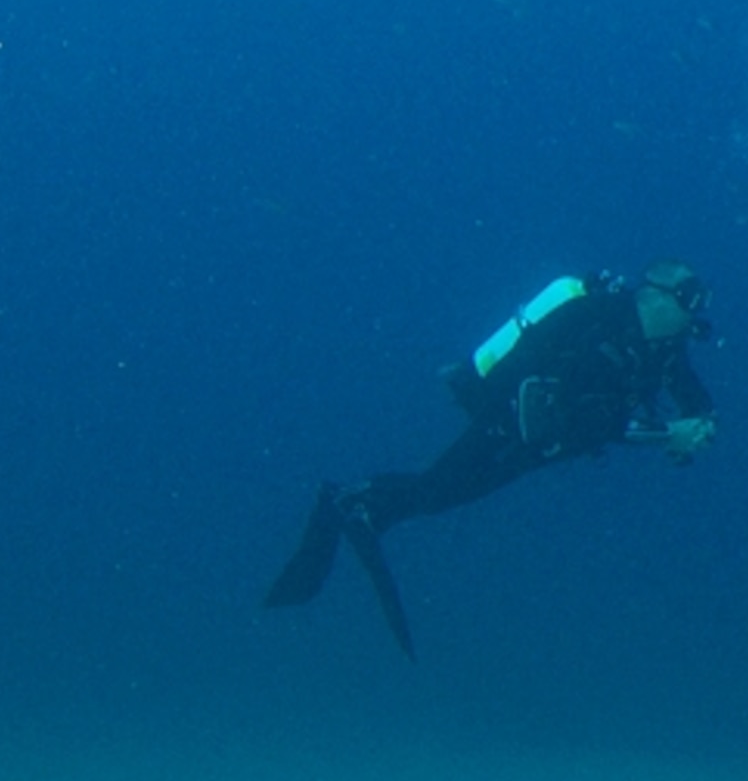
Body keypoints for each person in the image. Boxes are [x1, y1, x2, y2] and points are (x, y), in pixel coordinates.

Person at [264, 260, 719, 657]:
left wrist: (702, 422)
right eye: (688, 297)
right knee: (437, 490)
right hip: (509, 421)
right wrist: (669, 434)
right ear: (653, 296)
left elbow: (688, 390)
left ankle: (368, 509)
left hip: (539, 444)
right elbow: (592, 423)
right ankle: (350, 501)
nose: (695, 310)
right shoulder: (600, 329)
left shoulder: (663, 346)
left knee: (440, 495)